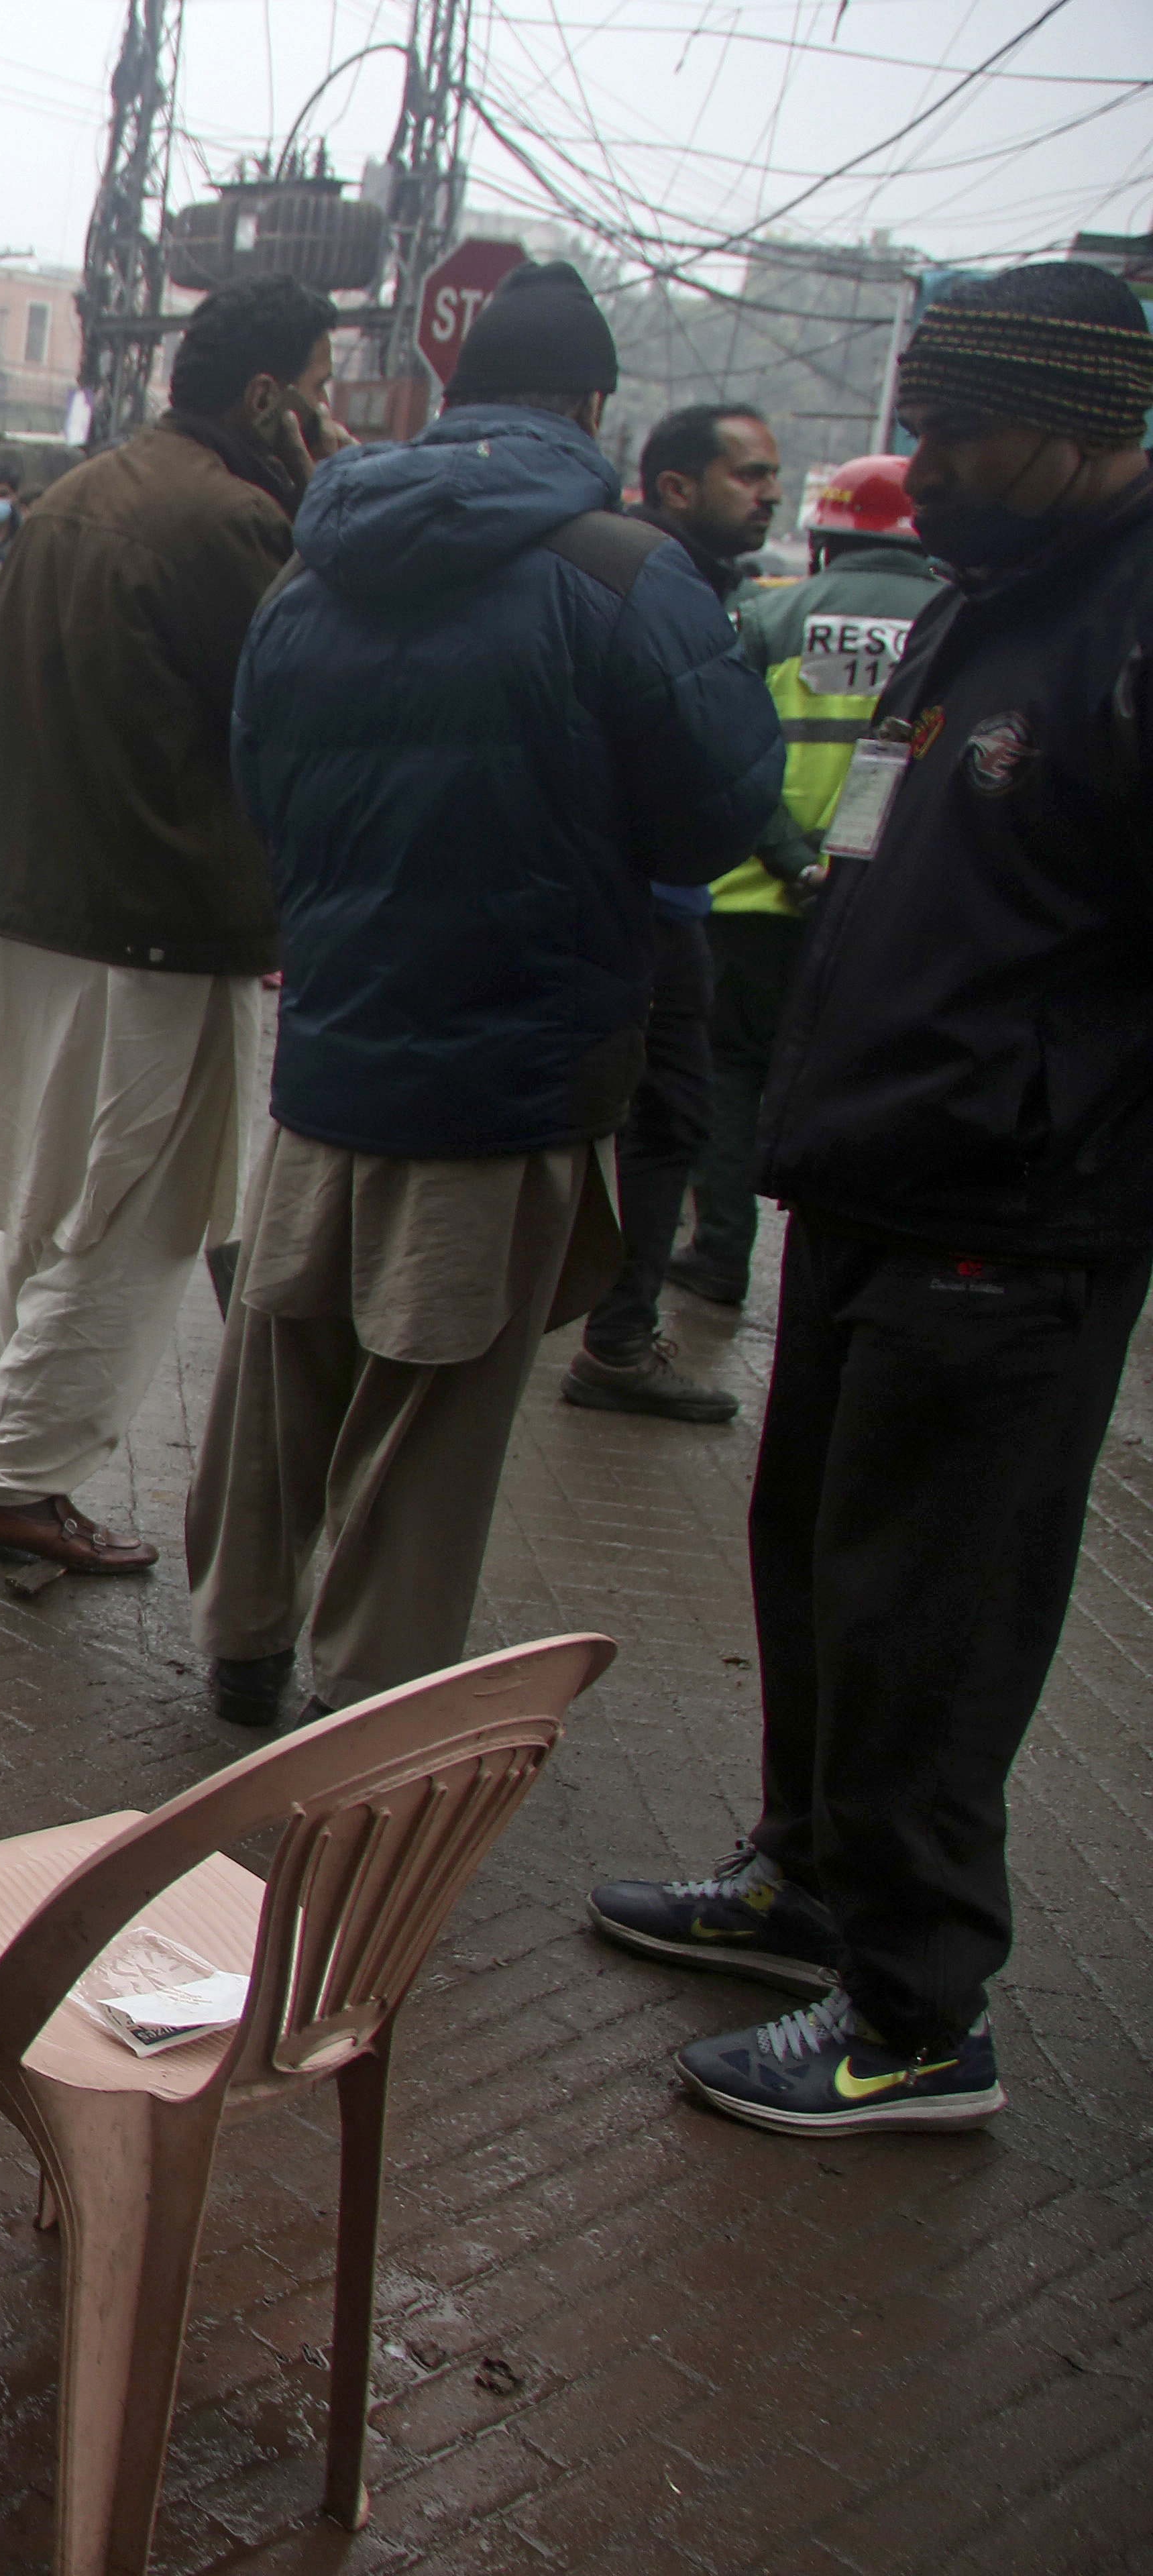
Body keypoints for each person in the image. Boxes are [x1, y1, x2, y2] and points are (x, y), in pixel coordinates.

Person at [589, 264, 1153, 2138]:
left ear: (1080, 422)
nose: (927, 464)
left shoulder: (1130, 621)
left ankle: (918, 2014)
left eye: (958, 425)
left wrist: (1055, 1112)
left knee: (937, 1607)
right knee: (823, 1563)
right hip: (870, 1179)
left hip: (1014, 1215)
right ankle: (809, 1881)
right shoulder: (982, 608)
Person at [190, 261, 780, 1731]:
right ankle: (373, 1693)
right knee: (435, 1400)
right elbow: (718, 817)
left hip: (333, 1042)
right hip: (516, 1054)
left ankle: (244, 1637)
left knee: (287, 1355)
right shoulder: (630, 577)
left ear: (451, 398)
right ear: (593, 407)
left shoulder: (312, 570)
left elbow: (262, 783)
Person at [0, 277, 341, 1580]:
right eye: (318, 395)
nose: (323, 423)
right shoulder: (234, 524)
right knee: (140, 1215)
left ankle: (2, 1446)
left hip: (36, 904)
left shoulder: (76, 498)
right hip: (151, 918)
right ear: (270, 396)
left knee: (50, 1203)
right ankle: (12, 1478)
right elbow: (286, 722)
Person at [665, 455, 946, 1310]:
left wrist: (795, 859)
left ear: (823, 539)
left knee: (731, 1074)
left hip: (759, 900)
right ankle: (847, 1282)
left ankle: (718, 1253)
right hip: (896, 911)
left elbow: (728, 755)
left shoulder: (765, 613)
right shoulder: (957, 625)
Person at [563, 400, 787, 1423]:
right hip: (653, 905)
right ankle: (613, 1339)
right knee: (665, 1119)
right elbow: (708, 767)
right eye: (748, 475)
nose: (770, 495)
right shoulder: (661, 588)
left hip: (640, 899)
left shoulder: (642, 577)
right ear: (675, 486)